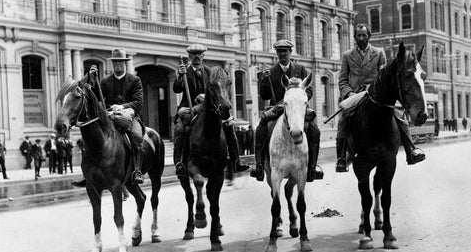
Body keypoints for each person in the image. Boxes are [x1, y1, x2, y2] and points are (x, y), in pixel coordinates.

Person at [335, 23, 425, 172]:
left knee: (399, 116)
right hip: (355, 95)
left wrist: (374, 88)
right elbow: (342, 80)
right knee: (344, 118)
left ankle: (411, 151)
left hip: (375, 93)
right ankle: (342, 159)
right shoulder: (347, 56)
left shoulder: (379, 52)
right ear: (355, 37)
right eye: (359, 35)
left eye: (364, 35)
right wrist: (349, 93)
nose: (361, 38)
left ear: (369, 36)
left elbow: (383, 75)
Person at [249, 39, 324, 182]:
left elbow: (309, 91)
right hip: (277, 108)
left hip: (297, 108)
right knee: (261, 126)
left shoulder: (301, 70)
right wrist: (264, 81)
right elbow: (264, 96)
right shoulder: (269, 72)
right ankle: (258, 165)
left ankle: (313, 166)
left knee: (314, 129)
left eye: (285, 51)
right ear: (276, 53)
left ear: (290, 52)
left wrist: (300, 98)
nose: (282, 54)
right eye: (279, 51)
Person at [172, 43, 249, 177]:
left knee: (229, 126)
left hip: (210, 108)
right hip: (189, 109)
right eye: (194, 54)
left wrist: (207, 96)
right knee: (180, 129)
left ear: (203, 55)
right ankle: (179, 163)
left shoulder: (211, 72)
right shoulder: (185, 72)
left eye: (199, 54)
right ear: (189, 56)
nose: (197, 57)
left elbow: (221, 88)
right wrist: (179, 77)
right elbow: (177, 89)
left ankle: (236, 160)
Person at [72, 48, 145, 187]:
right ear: (112, 64)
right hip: (110, 117)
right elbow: (93, 97)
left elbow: (138, 102)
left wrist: (122, 107)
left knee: (136, 137)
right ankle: (88, 174)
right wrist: (90, 79)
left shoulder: (135, 80)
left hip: (129, 117)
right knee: (91, 138)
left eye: (120, 62)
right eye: (115, 62)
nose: (118, 64)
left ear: (125, 64)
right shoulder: (105, 81)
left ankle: (137, 170)